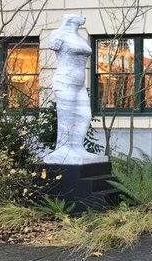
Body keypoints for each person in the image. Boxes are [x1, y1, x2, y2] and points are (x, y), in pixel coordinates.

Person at [43, 14, 107, 165]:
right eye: (78, 16)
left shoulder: (81, 38)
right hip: (65, 80)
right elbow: (54, 46)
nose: (83, 17)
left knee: (84, 115)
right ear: (69, 19)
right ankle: (64, 149)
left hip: (79, 83)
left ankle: (77, 147)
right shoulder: (57, 34)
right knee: (67, 116)